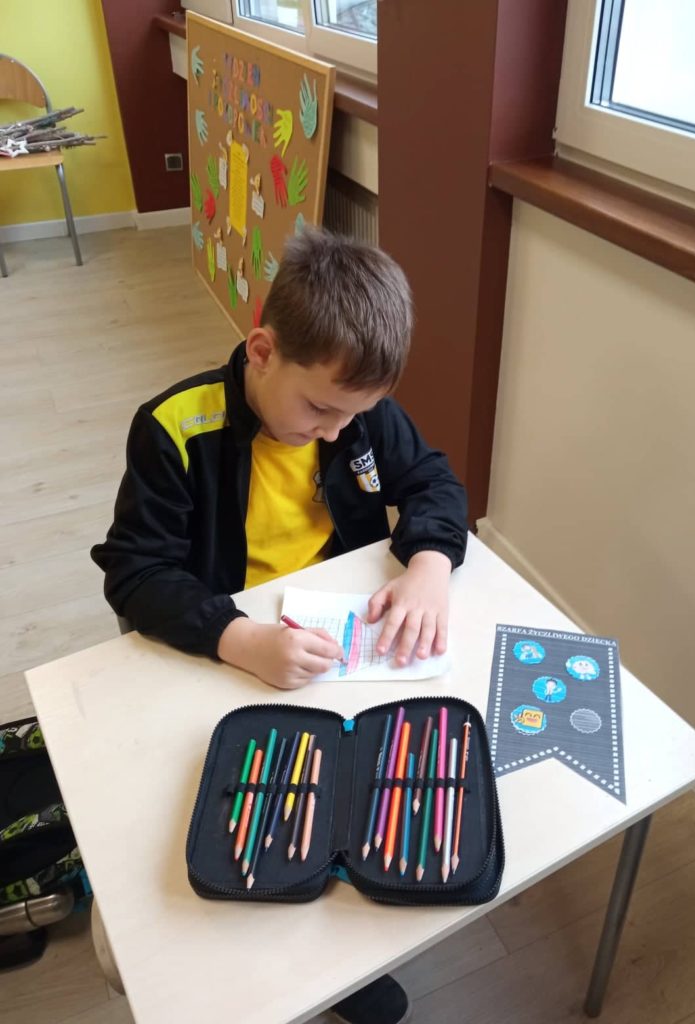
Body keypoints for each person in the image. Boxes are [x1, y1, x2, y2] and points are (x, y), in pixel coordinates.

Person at [91, 227, 468, 1024]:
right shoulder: (174, 427)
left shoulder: (356, 413)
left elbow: (431, 479)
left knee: (361, 781)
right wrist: (240, 640)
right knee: (249, 802)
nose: (335, 432)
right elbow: (135, 572)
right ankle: (261, 949)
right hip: (220, 642)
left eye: (354, 415)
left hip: (327, 641)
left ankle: (337, 951)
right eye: (320, 409)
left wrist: (431, 563)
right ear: (262, 351)